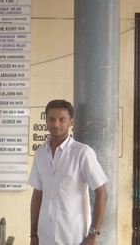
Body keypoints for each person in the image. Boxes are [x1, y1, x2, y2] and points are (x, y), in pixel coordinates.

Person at [28, 100, 108, 245]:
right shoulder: (40, 153)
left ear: (71, 122)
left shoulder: (82, 153)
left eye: (62, 119)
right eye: (51, 119)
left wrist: (93, 234)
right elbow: (37, 193)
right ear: (46, 120)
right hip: (45, 234)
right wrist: (33, 234)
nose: (56, 124)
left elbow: (101, 192)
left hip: (73, 235)